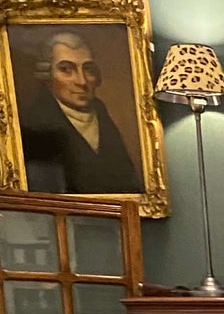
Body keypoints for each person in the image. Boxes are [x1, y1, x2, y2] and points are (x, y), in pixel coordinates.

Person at [18, 30, 142, 194]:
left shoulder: (100, 112)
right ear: (47, 74)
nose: (82, 81)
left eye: (88, 69)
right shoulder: (36, 122)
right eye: (66, 69)